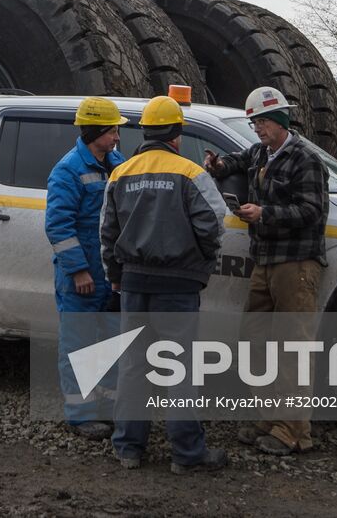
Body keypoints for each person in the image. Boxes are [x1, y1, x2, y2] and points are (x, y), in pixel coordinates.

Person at [101, 95, 228, 474]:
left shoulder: (121, 173)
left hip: (135, 283)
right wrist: (200, 266)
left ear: (144, 133)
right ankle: (187, 455)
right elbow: (213, 225)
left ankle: (128, 449)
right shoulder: (191, 174)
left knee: (133, 366)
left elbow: (106, 233)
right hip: (179, 286)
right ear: (176, 134)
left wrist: (116, 276)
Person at [205, 86, 330, 456]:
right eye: (253, 122)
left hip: (296, 265)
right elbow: (237, 161)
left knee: (292, 348)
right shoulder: (261, 152)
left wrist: (266, 214)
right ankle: (268, 417)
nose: (256, 128)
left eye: (260, 121)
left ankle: (293, 432)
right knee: (254, 341)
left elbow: (313, 211)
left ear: (278, 121)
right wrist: (218, 166)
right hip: (265, 262)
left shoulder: (305, 159)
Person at [45, 96, 127, 440]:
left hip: (109, 275)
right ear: (96, 132)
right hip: (82, 277)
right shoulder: (68, 170)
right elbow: (58, 226)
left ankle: (107, 408)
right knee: (79, 346)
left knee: (109, 343)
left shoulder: (115, 162)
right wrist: (79, 270)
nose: (117, 138)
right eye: (112, 131)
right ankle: (80, 415)